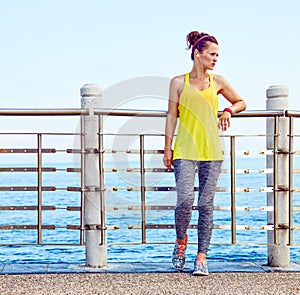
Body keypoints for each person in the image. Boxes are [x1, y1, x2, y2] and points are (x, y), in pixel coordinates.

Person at [163, 31, 246, 276]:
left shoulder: (218, 81)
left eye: (217, 54)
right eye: (212, 54)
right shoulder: (178, 82)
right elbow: (171, 116)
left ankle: (201, 258)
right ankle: (180, 242)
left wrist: (228, 110)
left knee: (206, 205)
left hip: (211, 150)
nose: (216, 58)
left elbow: (241, 101)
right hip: (185, 150)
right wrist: (167, 147)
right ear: (197, 55)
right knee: (185, 201)